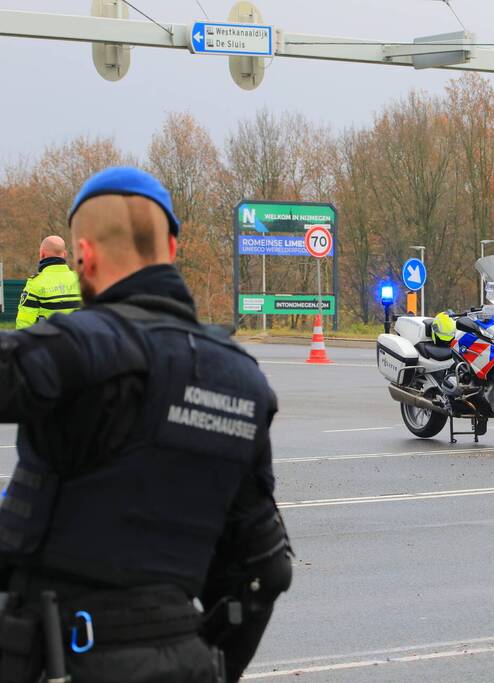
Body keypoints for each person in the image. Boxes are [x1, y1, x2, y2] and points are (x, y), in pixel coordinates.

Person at [0, 167, 291, 683]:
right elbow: (265, 569)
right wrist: (202, 661)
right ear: (172, 249)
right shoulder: (242, 379)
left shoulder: (74, 349)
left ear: (83, 256)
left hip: (60, 657)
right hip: (187, 659)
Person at [14, 236, 81, 329]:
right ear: (65, 254)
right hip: (78, 341)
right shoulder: (80, 279)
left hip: (48, 341)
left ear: (42, 254)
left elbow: (24, 323)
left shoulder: (35, 283)